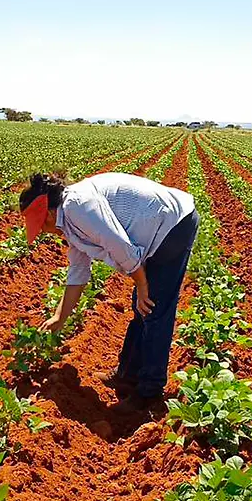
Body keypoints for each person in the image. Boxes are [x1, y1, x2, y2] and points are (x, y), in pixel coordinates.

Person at [20, 171, 198, 411]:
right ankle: (128, 376)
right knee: (143, 308)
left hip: (173, 225)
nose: (41, 231)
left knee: (153, 308)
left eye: (40, 225)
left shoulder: (78, 207)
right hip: (155, 229)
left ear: (49, 214)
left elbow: (119, 245)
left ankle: (149, 393)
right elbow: (78, 272)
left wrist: (142, 284)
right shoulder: (68, 221)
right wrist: (59, 316)